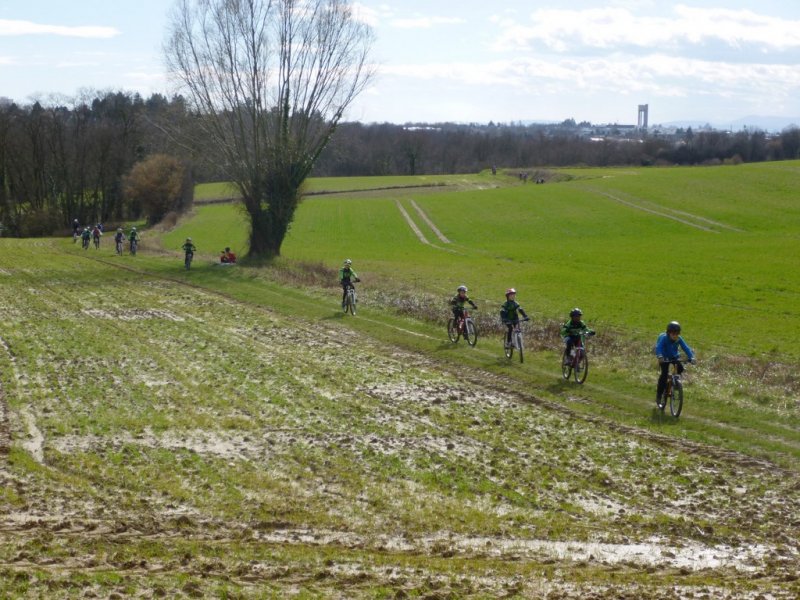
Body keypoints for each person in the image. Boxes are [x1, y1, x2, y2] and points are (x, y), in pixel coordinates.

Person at [655, 321, 696, 404]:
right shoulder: (664, 338)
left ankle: (675, 384)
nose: (675, 335)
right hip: (664, 358)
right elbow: (658, 347)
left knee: (680, 368)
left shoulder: (679, 339)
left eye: (677, 333)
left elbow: (686, 348)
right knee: (664, 375)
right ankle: (659, 395)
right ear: (668, 333)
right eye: (673, 333)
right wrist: (660, 356)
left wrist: (691, 357)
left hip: (674, 357)